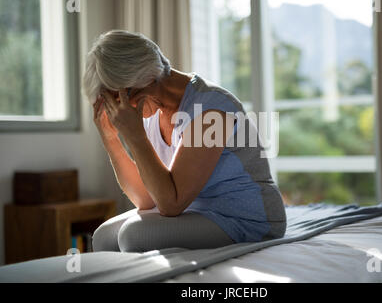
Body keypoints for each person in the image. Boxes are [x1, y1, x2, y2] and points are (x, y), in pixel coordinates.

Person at [82, 30, 286, 253]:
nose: (118, 110)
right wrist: (110, 138)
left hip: (246, 218)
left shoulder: (210, 110)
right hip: (195, 211)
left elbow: (171, 204)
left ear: (144, 80)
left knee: (134, 236)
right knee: (103, 237)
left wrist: (135, 136)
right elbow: (147, 199)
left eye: (117, 99)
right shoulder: (150, 113)